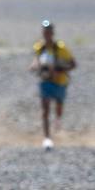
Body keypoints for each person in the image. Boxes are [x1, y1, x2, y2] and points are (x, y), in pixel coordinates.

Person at [30, 19, 76, 150]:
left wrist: (60, 69)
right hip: (45, 82)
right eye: (45, 32)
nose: (47, 34)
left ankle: (58, 121)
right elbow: (36, 60)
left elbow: (73, 64)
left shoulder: (61, 48)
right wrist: (35, 67)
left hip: (60, 81)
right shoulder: (39, 47)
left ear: (53, 33)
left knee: (59, 106)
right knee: (45, 109)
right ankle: (47, 138)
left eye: (49, 32)